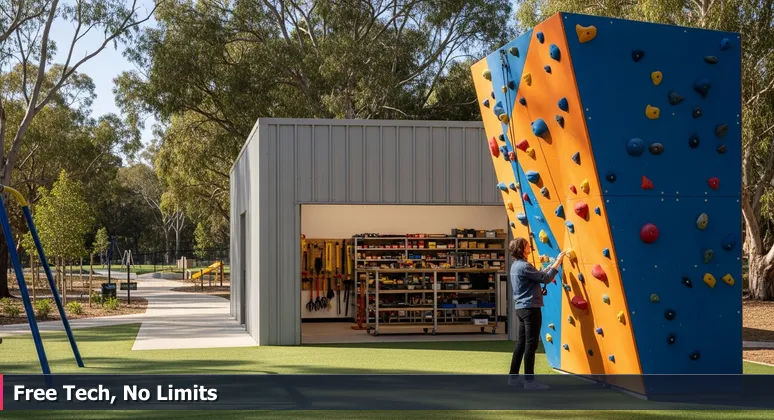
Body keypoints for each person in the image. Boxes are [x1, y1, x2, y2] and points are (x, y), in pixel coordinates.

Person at [507, 236, 566, 389]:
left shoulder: (516, 266)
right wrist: (558, 262)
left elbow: (538, 275)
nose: (529, 245)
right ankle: (529, 381)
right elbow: (545, 279)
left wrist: (550, 265)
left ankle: (513, 377)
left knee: (521, 343)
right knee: (530, 345)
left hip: (521, 308)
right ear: (522, 248)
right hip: (531, 308)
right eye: (526, 244)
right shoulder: (525, 266)